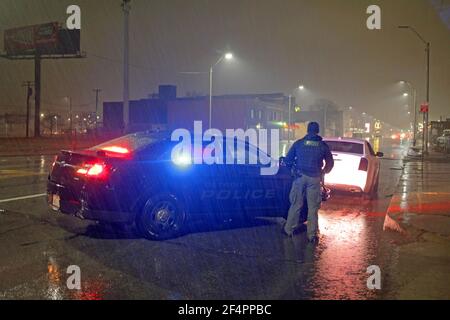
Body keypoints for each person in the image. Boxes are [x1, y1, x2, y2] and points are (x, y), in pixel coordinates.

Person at [283, 122, 334, 242]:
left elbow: (288, 160)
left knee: (296, 204)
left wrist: (292, 171)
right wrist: (323, 172)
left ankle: (288, 230)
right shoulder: (322, 145)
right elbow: (330, 163)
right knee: (313, 208)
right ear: (317, 131)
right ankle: (312, 235)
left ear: (307, 130)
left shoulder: (299, 143)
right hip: (315, 178)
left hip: (299, 177)